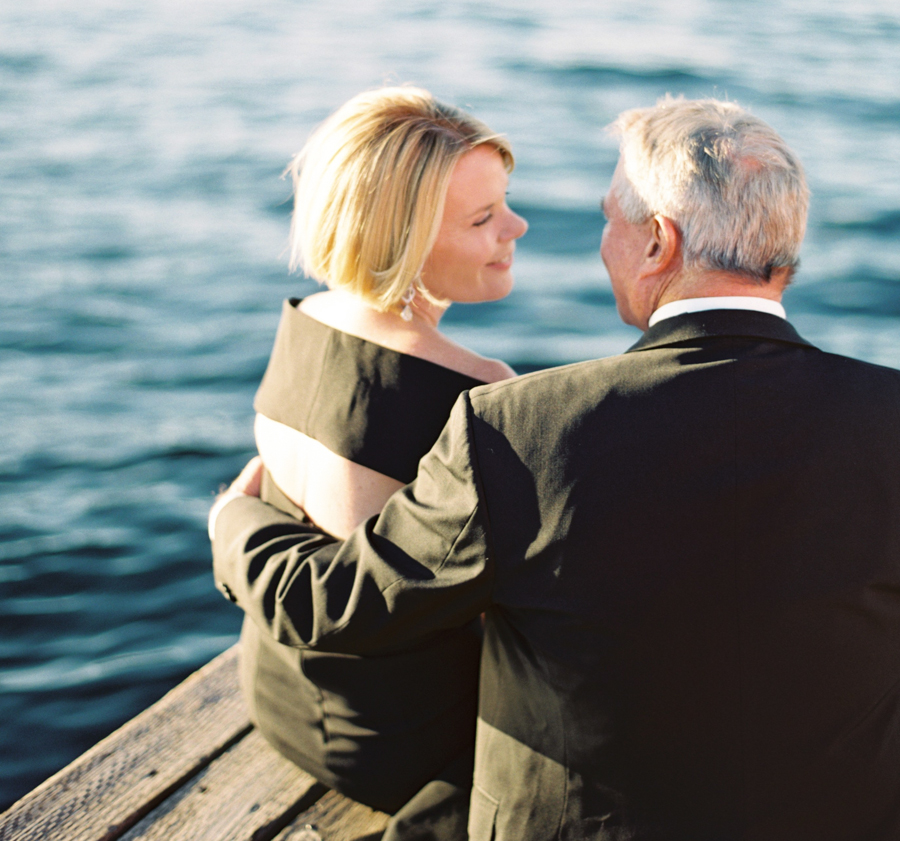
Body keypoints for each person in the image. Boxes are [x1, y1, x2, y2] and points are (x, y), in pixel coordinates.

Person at [212, 96, 900, 840]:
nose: (591, 240)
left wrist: (235, 518)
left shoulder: (519, 430)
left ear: (657, 245)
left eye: (611, 218)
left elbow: (340, 603)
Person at [211, 86, 527, 840]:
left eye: (505, 202)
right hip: (414, 748)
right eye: (483, 219)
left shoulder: (305, 320)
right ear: (403, 240)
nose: (516, 227)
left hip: (280, 699)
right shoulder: (482, 392)